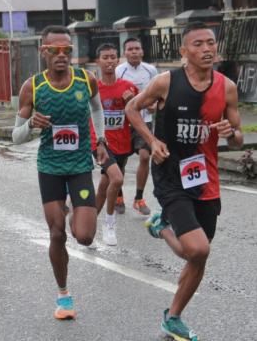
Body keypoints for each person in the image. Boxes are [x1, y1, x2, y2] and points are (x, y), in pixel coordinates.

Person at [126, 22, 243, 341]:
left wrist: (230, 134)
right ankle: (163, 224)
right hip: (170, 175)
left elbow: (238, 138)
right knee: (198, 249)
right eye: (198, 44)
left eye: (211, 43)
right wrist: (151, 141)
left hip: (205, 179)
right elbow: (131, 108)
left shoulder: (227, 87)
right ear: (183, 52)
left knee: (196, 254)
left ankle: (173, 316)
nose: (207, 49)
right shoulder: (165, 82)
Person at [12, 25, 108, 320]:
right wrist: (31, 126)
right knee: (57, 233)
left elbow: (97, 109)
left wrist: (100, 140)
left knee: (85, 236)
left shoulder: (86, 79)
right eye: (55, 50)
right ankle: (64, 295)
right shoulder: (33, 87)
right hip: (51, 168)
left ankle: (78, 207)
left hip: (80, 166)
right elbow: (15, 136)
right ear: (44, 52)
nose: (62, 55)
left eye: (68, 50)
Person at [90, 43, 138, 246]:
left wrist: (133, 100)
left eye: (112, 57)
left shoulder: (128, 86)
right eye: (105, 57)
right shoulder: (93, 88)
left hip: (122, 143)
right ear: (98, 61)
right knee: (116, 180)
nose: (109, 61)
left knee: (104, 186)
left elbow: (147, 109)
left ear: (118, 60)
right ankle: (109, 225)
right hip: (100, 142)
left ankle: (87, 225)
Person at [116, 37, 158, 215]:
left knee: (144, 156)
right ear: (124, 53)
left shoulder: (151, 70)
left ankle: (139, 198)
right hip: (124, 122)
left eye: (137, 49)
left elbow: (158, 97)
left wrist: (149, 105)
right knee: (121, 161)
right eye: (130, 49)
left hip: (144, 120)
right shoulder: (119, 71)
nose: (134, 52)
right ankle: (118, 196)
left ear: (142, 51)